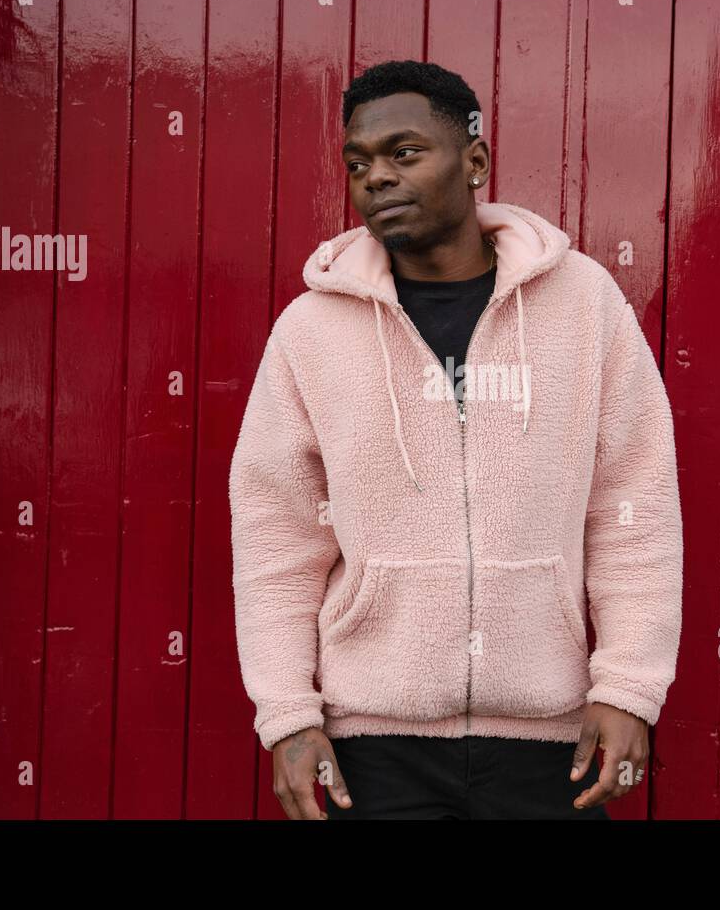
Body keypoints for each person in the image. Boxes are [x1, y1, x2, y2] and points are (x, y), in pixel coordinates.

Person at [228, 60, 682, 819]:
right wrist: (287, 714)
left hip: (549, 746)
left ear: (474, 160)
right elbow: (277, 537)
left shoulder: (583, 305)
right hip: (371, 747)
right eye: (359, 162)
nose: (376, 177)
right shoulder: (311, 331)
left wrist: (629, 685)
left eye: (404, 153)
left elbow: (635, 505)